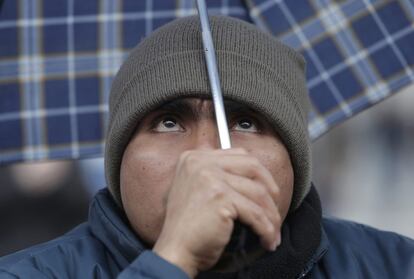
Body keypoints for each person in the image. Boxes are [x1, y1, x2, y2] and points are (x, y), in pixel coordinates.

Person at [1, 15, 413, 279]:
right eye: (167, 122)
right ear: (120, 157)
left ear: (295, 159)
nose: (205, 157)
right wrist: (172, 260)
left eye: (247, 122)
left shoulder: (393, 265)